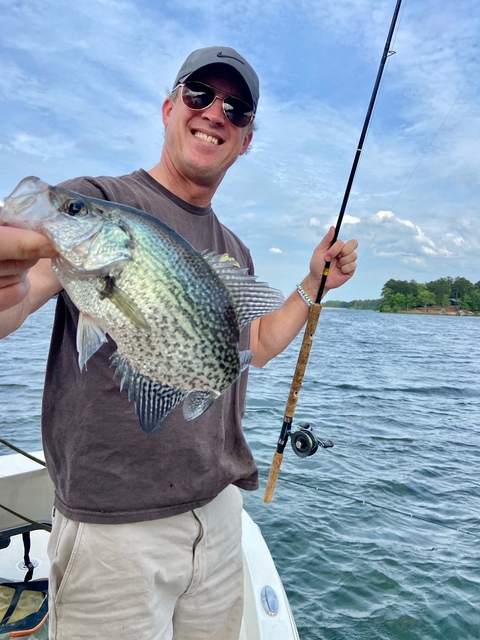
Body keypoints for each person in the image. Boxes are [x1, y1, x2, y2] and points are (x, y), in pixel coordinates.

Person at [0, 46, 358, 639]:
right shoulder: (95, 201)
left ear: (245, 140)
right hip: (115, 531)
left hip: (219, 518)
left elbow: (255, 346)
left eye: (236, 108)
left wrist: (312, 283)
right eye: (199, 95)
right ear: (169, 108)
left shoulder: (231, 249)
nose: (215, 111)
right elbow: (20, 292)